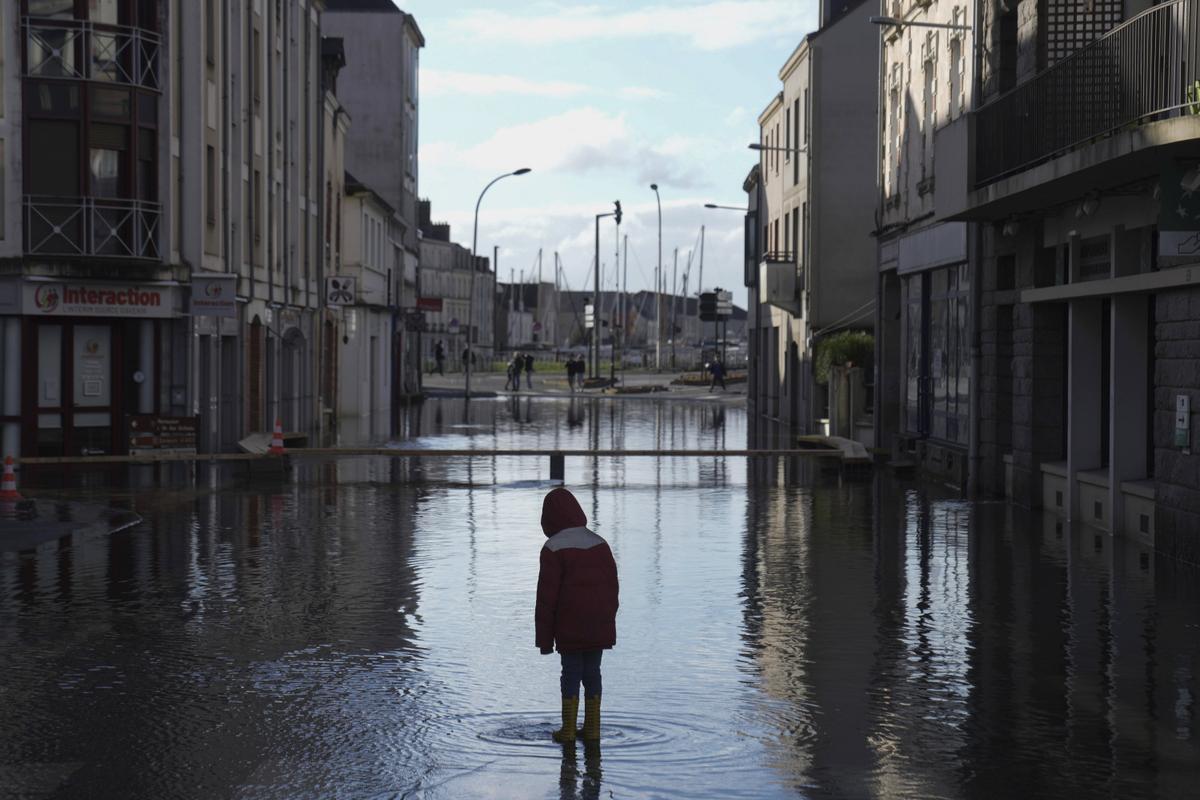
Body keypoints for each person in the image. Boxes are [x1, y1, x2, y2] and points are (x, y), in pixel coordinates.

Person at [536, 487, 619, 744]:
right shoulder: (600, 543)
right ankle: (593, 728)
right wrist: (607, 620)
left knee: (571, 673)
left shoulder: (552, 548)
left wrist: (545, 641)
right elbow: (612, 588)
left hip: (569, 626)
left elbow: (546, 599)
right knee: (593, 672)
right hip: (598, 625)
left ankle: (569, 730)